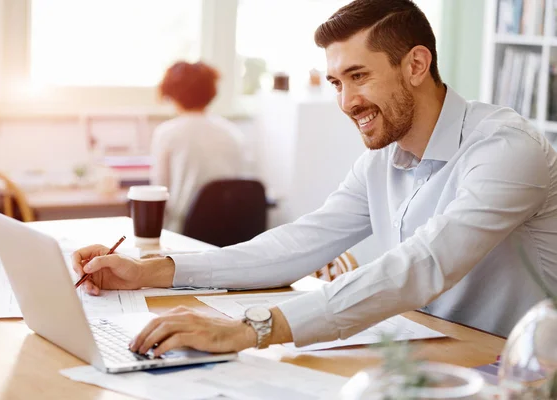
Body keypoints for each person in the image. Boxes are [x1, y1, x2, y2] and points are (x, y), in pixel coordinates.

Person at [73, 0, 557, 357]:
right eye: (336, 83)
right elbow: (296, 245)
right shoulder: (383, 159)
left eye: (359, 76)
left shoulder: (507, 149)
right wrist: (152, 271)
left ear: (416, 64)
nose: (346, 103)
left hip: (517, 370)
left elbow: (425, 263)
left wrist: (252, 328)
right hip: (429, 354)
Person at [149, 61, 245, 232]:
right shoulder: (232, 132)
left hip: (185, 232)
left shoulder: (167, 133)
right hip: (233, 232)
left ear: (172, 94)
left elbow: (159, 191)